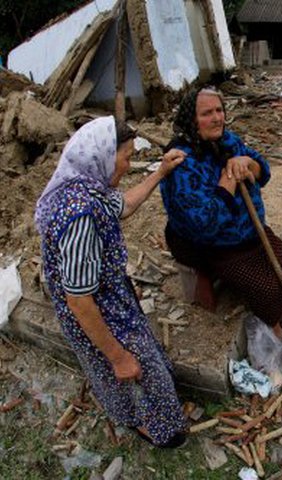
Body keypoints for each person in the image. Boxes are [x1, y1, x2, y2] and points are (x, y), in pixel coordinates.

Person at [34, 116, 188, 448]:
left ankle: (149, 409)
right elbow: (79, 301)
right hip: (96, 313)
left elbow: (125, 204)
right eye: (127, 157)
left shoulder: (88, 186)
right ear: (103, 156)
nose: (129, 164)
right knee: (120, 368)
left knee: (144, 363)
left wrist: (161, 172)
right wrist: (118, 356)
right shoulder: (80, 217)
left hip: (110, 299)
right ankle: (150, 426)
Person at [160, 87, 282, 363]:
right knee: (263, 285)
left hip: (250, 231)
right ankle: (278, 334)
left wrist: (247, 162)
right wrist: (228, 179)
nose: (217, 118)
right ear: (192, 119)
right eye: (207, 113)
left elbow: (263, 173)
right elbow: (205, 224)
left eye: (219, 110)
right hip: (213, 245)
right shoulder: (181, 162)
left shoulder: (228, 141)